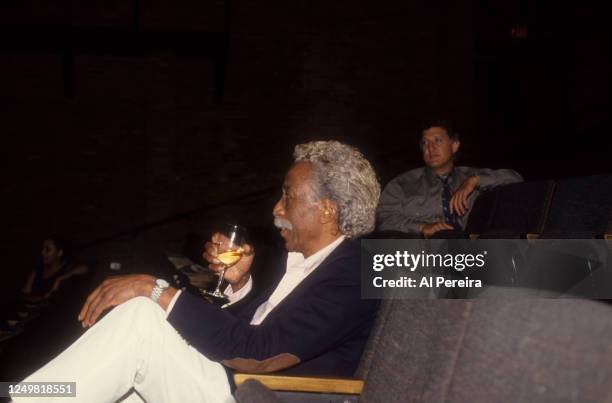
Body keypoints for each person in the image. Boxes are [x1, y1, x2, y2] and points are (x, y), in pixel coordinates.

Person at [12, 140, 381, 403]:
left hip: (256, 395)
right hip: (229, 381)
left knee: (142, 320)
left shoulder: (359, 270)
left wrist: (156, 290)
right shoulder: (302, 263)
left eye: (288, 195)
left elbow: (260, 353)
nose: (276, 208)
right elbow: (260, 329)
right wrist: (241, 287)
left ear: (328, 210)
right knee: (115, 379)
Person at [377, 121, 523, 238]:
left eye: (437, 141)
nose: (430, 148)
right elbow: (383, 219)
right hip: (422, 257)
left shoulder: (469, 175)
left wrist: (474, 181)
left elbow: (515, 179)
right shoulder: (402, 184)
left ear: (454, 146)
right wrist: (422, 227)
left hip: (471, 253)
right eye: (425, 143)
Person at [22, 237, 89, 300]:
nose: (42, 252)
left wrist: (60, 279)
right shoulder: (37, 271)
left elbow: (84, 268)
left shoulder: (66, 267)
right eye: (43, 249)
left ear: (59, 253)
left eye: (48, 249)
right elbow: (25, 293)